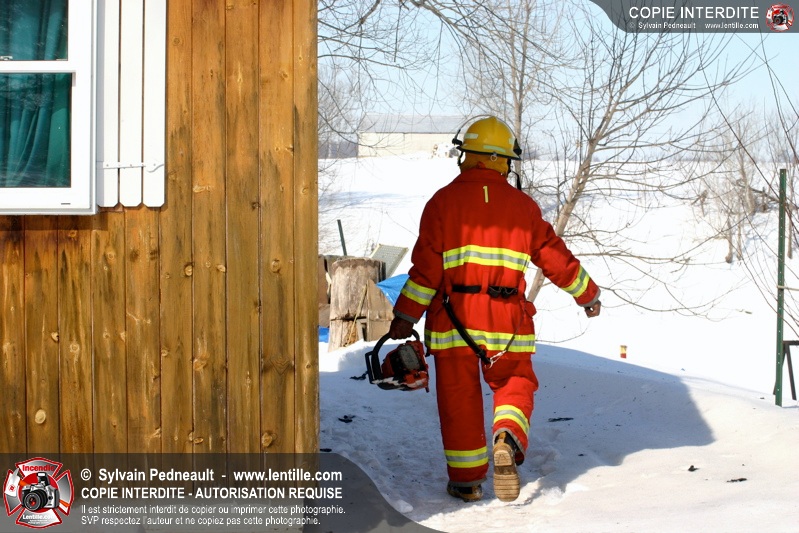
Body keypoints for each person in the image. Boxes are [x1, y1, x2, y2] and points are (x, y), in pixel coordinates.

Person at [387, 116, 601, 503]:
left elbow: (426, 272)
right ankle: (507, 436)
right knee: (515, 382)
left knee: (459, 400)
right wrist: (587, 294)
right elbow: (553, 256)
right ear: (502, 160)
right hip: (508, 321)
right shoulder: (524, 207)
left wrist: (405, 316)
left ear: (468, 155)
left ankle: (467, 482)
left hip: (453, 321)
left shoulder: (441, 203)